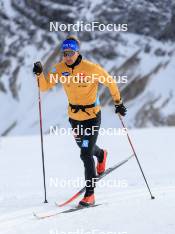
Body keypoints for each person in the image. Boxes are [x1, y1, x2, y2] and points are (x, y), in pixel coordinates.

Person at [33, 35, 127, 207]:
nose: (67, 56)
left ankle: (90, 195)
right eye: (64, 53)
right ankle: (101, 154)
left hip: (92, 117)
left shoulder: (92, 68)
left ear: (77, 52)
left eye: (70, 53)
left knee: (85, 154)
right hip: (74, 118)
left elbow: (111, 82)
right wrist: (39, 74)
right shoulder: (59, 69)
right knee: (86, 148)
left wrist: (118, 103)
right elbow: (45, 86)